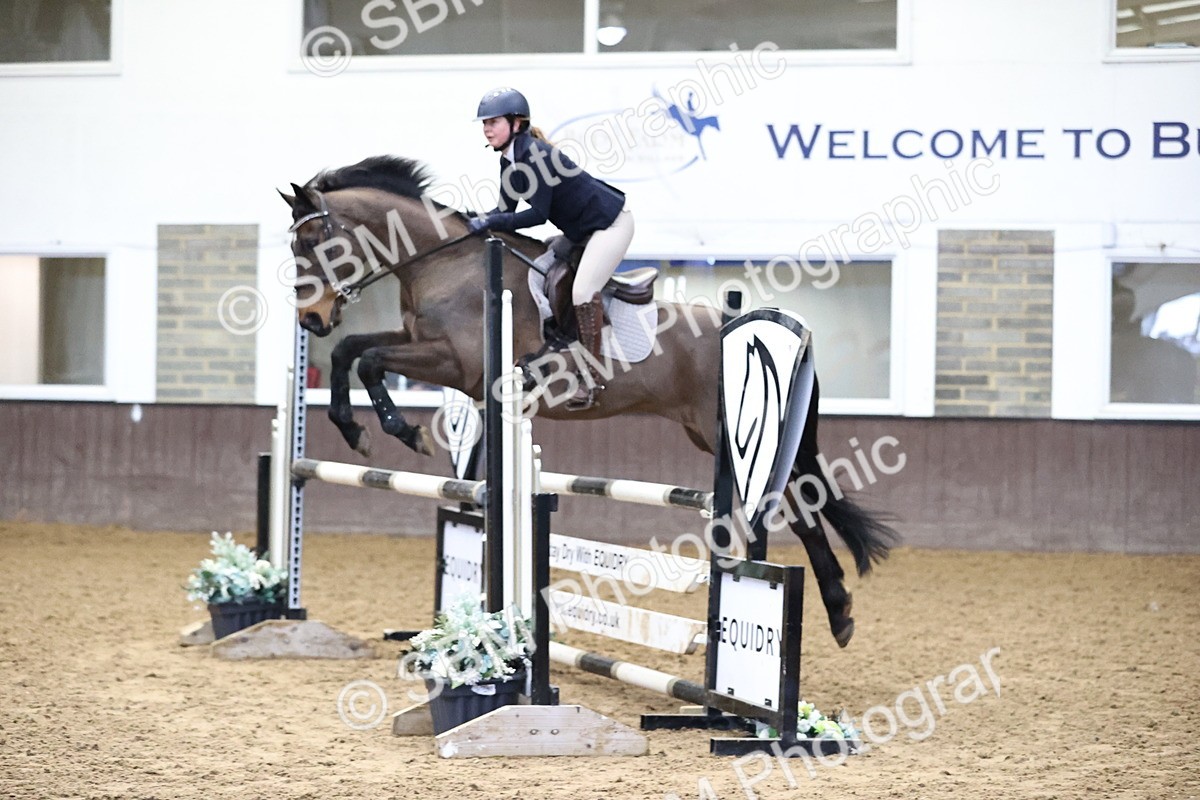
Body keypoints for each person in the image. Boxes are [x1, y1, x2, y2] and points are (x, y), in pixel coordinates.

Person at [466, 87, 635, 411]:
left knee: (582, 292)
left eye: (493, 122)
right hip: (580, 231)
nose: (487, 129)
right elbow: (505, 210)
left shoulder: (536, 155)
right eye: (484, 123)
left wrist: (490, 221)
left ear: (516, 123)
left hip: (610, 225)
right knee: (539, 270)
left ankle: (591, 379)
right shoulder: (508, 161)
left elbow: (537, 215)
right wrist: (477, 220)